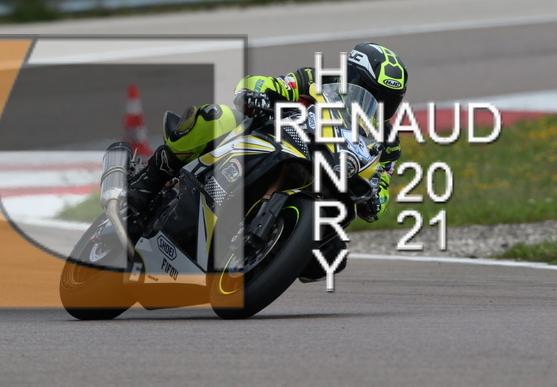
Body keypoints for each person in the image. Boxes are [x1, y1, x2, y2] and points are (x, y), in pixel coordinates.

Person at [125, 42, 407, 280]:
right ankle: (146, 183)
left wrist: (374, 199)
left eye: (388, 99)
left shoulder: (387, 141)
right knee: (218, 117)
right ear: (351, 78)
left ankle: (266, 257)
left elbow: (381, 183)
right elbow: (265, 83)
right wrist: (256, 94)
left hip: (319, 182)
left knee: (333, 257)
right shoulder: (316, 81)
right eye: (371, 92)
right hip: (272, 141)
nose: (378, 103)